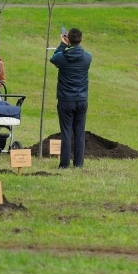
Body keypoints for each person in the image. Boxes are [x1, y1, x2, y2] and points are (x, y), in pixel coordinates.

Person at [50, 27, 92, 168]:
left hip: (66, 100)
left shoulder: (62, 57)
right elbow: (83, 53)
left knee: (66, 132)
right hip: (81, 100)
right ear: (81, 39)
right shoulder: (87, 57)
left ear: (67, 38)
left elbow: (53, 58)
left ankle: (64, 164)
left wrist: (63, 44)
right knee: (80, 132)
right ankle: (79, 163)